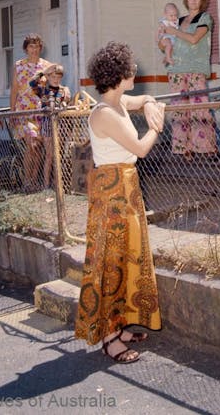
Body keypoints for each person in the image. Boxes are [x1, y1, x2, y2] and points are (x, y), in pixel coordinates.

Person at [74, 41, 165, 364]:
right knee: (109, 263)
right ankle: (110, 338)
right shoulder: (105, 113)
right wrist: (157, 124)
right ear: (118, 75)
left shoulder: (119, 101)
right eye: (130, 68)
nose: (135, 71)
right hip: (112, 191)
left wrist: (151, 102)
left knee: (128, 257)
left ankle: (121, 325)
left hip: (124, 187)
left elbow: (139, 99)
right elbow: (141, 149)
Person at [158, 0, 217, 157]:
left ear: (202, 0)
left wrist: (174, 31)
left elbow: (194, 39)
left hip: (195, 68)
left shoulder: (204, 17)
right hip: (176, 68)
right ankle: (183, 148)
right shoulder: (178, 19)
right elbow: (165, 41)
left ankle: (205, 147)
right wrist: (163, 41)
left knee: (199, 106)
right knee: (179, 108)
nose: (193, 0)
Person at [10, 33, 51, 192]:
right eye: (31, 46)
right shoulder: (19, 65)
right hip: (23, 110)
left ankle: (35, 181)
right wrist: (11, 112)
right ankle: (27, 181)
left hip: (41, 110)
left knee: (39, 147)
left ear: (40, 48)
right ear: (26, 48)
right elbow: (14, 90)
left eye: (37, 46)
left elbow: (52, 87)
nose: (34, 49)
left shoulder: (47, 66)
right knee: (31, 143)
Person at [29, 63, 72, 190]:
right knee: (49, 155)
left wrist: (66, 101)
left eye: (58, 77)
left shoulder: (64, 90)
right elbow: (32, 83)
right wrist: (43, 71)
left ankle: (57, 183)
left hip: (61, 124)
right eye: (53, 76)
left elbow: (67, 102)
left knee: (58, 155)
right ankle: (46, 184)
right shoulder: (43, 90)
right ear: (48, 77)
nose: (56, 79)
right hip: (47, 123)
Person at [156, 2, 180, 67]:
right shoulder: (164, 22)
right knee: (169, 45)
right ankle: (168, 58)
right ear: (165, 15)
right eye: (171, 15)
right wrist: (157, 38)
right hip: (166, 37)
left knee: (173, 48)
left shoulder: (176, 21)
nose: (174, 17)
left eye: (175, 15)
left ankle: (166, 57)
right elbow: (159, 30)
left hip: (173, 38)